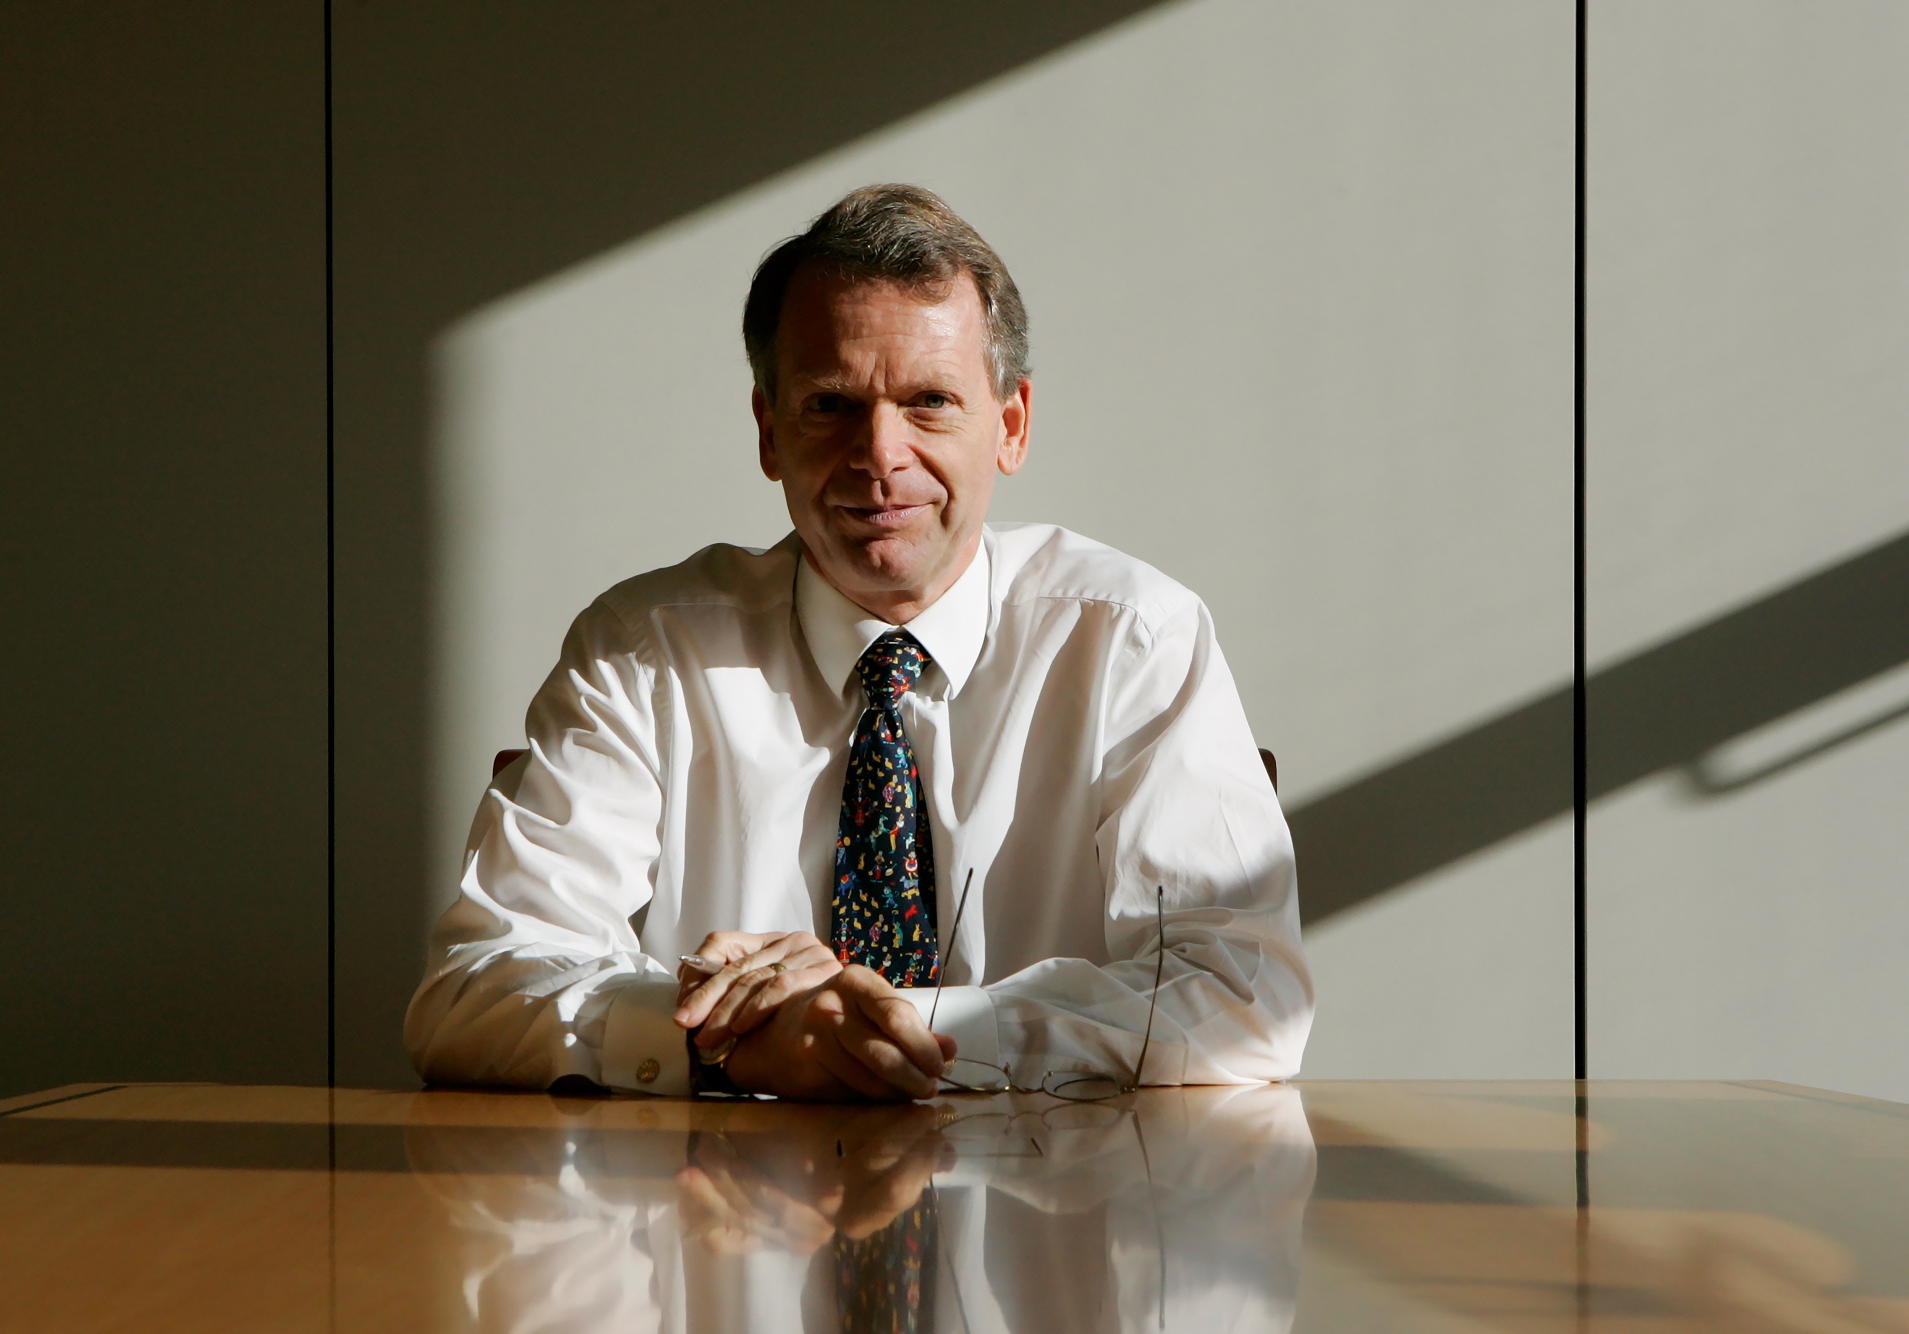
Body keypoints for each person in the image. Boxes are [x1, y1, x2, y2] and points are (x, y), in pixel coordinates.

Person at [405, 183, 1311, 1101]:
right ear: (769, 432)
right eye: (831, 404)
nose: (880, 454)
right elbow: (472, 992)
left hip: (1060, 1188)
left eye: (930, 402)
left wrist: (898, 1030)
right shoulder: (641, 653)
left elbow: (1244, 996)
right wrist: (726, 1045)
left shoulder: (1132, 640)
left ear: (1010, 427)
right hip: (714, 1189)